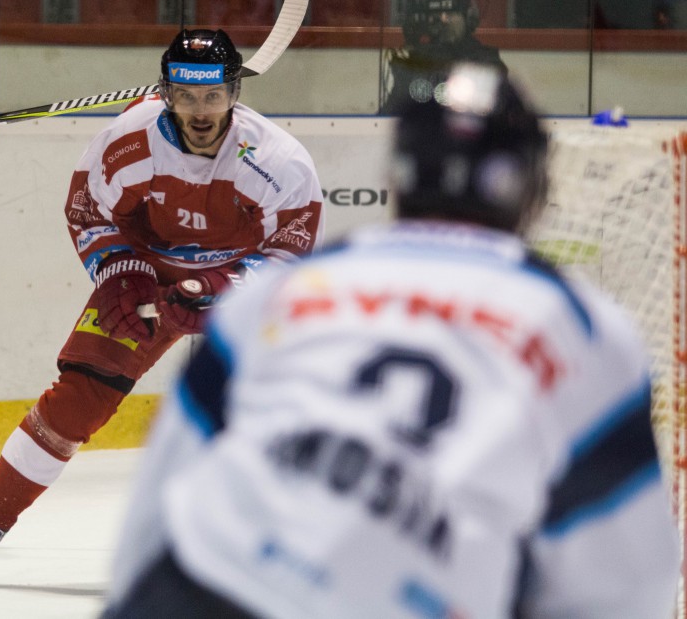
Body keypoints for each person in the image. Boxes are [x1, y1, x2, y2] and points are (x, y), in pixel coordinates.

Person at [102, 64, 681, 618]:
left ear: (395, 178)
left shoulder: (283, 288)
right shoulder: (584, 324)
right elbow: (629, 583)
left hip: (207, 580)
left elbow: (168, 478)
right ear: (532, 187)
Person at [0, 28, 324, 583]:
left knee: (281, 402)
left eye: (213, 96)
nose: (200, 111)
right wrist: (121, 273)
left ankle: (290, 547)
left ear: (234, 94)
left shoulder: (276, 159)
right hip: (146, 271)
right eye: (186, 95)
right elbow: (87, 210)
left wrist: (221, 287)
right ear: (166, 92)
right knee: (81, 392)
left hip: (236, 278)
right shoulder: (127, 142)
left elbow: (290, 252)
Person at [380, 0, 507, 114]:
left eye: (450, 13)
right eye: (436, 14)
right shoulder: (416, 62)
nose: (443, 20)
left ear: (468, 17)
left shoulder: (485, 61)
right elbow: (388, 117)